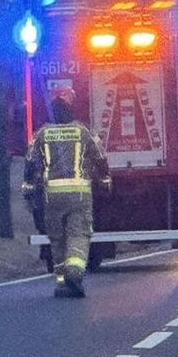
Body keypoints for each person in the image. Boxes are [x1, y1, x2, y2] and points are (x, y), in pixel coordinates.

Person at [22, 87, 111, 297]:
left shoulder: (42, 133)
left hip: (51, 196)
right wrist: (105, 180)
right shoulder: (83, 131)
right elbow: (100, 157)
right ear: (71, 107)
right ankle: (75, 272)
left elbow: (30, 161)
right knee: (78, 235)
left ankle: (61, 282)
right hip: (79, 195)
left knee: (57, 238)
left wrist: (28, 185)